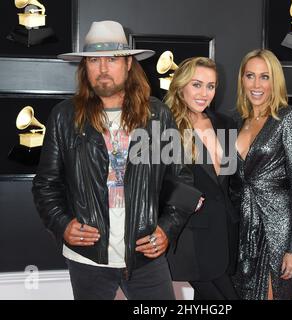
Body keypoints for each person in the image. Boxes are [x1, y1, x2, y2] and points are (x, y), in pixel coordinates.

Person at [32, 20, 202, 300]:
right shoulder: (64, 116)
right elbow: (45, 185)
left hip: (145, 256)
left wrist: (167, 228)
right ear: (84, 69)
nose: (102, 68)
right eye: (94, 60)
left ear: (128, 65)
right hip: (87, 260)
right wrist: (62, 224)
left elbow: (180, 180)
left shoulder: (157, 114)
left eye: (112, 59)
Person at [230, 49, 292, 300]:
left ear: (275, 81)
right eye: (250, 76)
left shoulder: (289, 118)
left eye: (265, 77)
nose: (256, 84)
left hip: (276, 230)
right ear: (241, 79)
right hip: (242, 228)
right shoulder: (235, 121)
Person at [164, 57, 239, 300]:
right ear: (180, 86)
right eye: (196, 84)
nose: (204, 93)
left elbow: (228, 184)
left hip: (224, 235)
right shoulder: (167, 126)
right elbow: (154, 181)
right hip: (189, 237)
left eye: (211, 86)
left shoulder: (226, 124)